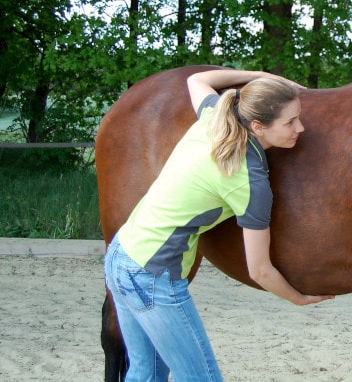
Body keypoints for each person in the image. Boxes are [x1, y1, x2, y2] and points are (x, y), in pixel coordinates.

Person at [104, 68, 334, 381]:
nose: (301, 127)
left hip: (121, 256)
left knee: (146, 373)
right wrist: (299, 298)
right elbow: (259, 270)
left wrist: (258, 76)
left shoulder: (215, 118)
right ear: (258, 126)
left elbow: (196, 81)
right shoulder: (248, 179)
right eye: (290, 122)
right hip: (152, 277)